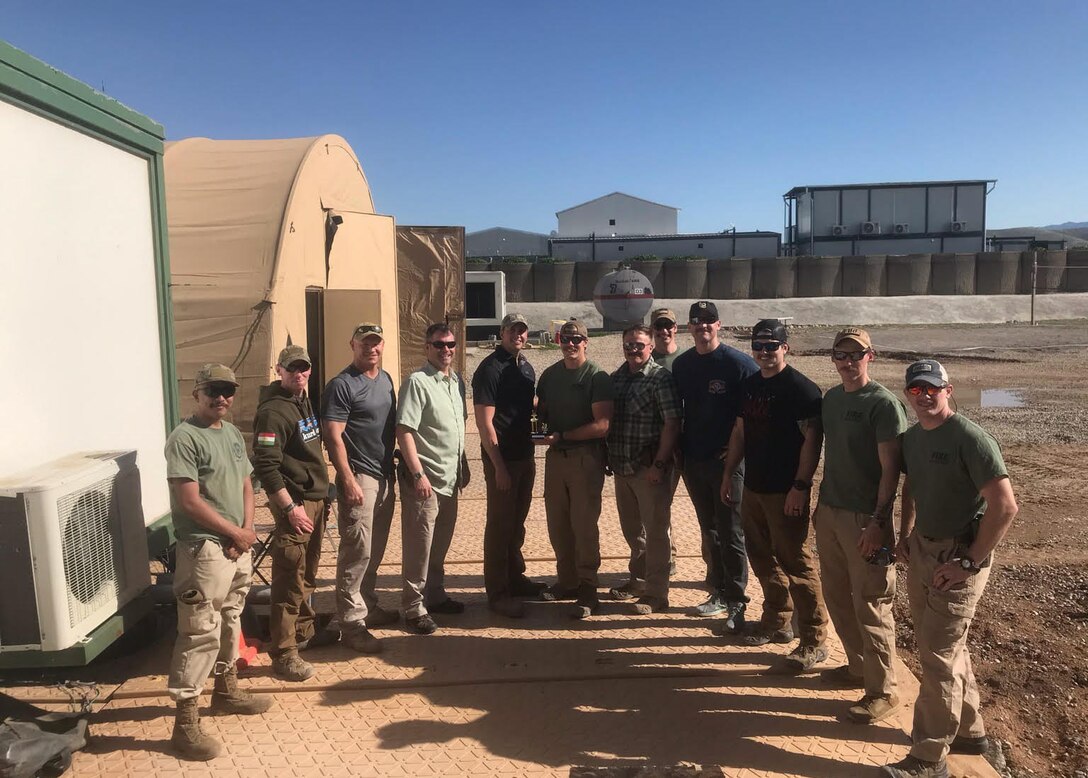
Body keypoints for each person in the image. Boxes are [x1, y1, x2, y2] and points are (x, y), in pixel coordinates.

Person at [881, 360, 1018, 778]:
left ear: (948, 389)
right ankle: (970, 735)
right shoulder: (913, 439)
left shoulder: (971, 440)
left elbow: (1005, 506)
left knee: (935, 655)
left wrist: (970, 561)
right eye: (916, 391)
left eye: (931, 389)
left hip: (958, 557)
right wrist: (905, 534)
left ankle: (927, 757)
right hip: (923, 550)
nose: (924, 397)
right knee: (945, 646)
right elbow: (911, 489)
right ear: (908, 395)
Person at [165, 363, 271, 762]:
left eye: (227, 390)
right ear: (197, 393)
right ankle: (185, 721)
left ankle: (226, 691)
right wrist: (234, 534)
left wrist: (246, 529)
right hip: (205, 550)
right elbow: (189, 501)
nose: (222, 397)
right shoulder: (184, 438)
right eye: (213, 390)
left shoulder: (229, 433)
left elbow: (246, 483)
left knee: (231, 616)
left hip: (236, 545)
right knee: (198, 631)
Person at [721, 320, 829, 672]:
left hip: (786, 492)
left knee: (796, 564)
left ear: (786, 348)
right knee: (763, 559)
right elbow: (740, 431)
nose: (765, 352)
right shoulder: (750, 386)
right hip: (753, 487)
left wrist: (800, 486)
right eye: (760, 346)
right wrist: (729, 474)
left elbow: (812, 443)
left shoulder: (802, 390)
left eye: (772, 346)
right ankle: (776, 621)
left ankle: (813, 639)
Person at [813, 327, 907, 725]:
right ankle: (857, 666)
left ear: (871, 356)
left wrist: (878, 523)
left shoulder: (883, 405)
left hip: (865, 520)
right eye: (841, 355)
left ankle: (883, 690)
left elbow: (892, 471)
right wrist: (819, 507)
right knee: (836, 595)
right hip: (832, 512)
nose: (848, 362)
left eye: (856, 354)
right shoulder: (831, 399)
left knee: (871, 603)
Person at [671, 301, 759, 631]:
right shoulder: (683, 365)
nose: (703, 326)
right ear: (689, 327)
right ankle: (718, 592)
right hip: (695, 461)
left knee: (731, 531)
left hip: (728, 463)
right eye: (697, 321)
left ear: (719, 325)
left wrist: (735, 455)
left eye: (709, 321)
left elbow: (752, 416)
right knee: (709, 530)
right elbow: (677, 412)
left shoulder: (738, 365)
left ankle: (737, 601)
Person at [252, 345, 335, 682]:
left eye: (303, 369)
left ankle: (304, 632)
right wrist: (289, 507)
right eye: (291, 369)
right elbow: (266, 467)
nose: (298, 375)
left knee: (307, 573)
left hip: (314, 499)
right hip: (296, 504)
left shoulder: (302, 399)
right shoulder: (273, 412)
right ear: (279, 370)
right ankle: (284, 652)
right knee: (288, 577)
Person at [322, 323, 398, 653]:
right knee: (356, 551)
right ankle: (351, 624)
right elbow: (333, 435)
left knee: (375, 550)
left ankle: (368, 604)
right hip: (360, 479)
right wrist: (348, 479)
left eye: (376, 343)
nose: (371, 348)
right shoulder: (341, 385)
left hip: (384, 476)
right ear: (352, 344)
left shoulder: (385, 379)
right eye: (365, 343)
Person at [535, 319, 613, 619]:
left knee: (583, 525)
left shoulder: (596, 376)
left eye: (576, 339)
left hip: (585, 458)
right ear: (558, 341)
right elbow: (540, 411)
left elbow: (602, 425)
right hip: (556, 459)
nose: (570, 344)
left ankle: (588, 587)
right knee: (557, 524)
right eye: (565, 339)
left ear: (586, 342)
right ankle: (566, 581)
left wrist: (564, 436)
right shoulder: (551, 375)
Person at [472, 313, 547, 619]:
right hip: (502, 461)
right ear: (501, 332)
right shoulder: (490, 369)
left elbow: (530, 408)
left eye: (522, 330)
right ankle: (498, 593)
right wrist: (499, 466)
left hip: (524, 456)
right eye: (512, 330)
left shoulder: (525, 366)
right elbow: (484, 423)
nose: (517, 334)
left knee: (517, 524)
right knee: (500, 527)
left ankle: (515, 578)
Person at [396, 322, 468, 635]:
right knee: (419, 546)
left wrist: (462, 465)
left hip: (450, 478)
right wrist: (418, 473)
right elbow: (405, 431)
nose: (446, 350)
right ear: (427, 348)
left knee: (439, 544)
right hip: (425, 480)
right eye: (439, 345)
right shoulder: (417, 382)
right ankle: (413, 608)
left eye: (450, 344)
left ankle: (435, 595)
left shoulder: (456, 382)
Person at [607, 325, 682, 614]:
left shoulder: (660, 379)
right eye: (629, 344)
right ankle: (638, 580)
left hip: (649, 468)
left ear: (651, 347)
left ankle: (656, 593)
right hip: (623, 467)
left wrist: (660, 464)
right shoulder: (617, 378)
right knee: (632, 530)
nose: (633, 349)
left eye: (639, 345)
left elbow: (672, 424)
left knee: (656, 531)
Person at [649, 306, 687, 576]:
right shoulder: (645, 361)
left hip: (691, 443)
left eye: (668, 326)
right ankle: (668, 556)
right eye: (658, 326)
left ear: (676, 328)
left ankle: (714, 567)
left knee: (707, 510)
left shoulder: (689, 360)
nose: (664, 331)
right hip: (662, 444)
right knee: (660, 506)